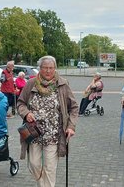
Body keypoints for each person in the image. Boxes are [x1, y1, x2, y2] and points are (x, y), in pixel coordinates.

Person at [17, 55, 79, 187]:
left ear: (55, 68)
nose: (48, 71)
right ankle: (42, 184)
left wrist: (71, 126)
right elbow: (20, 103)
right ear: (40, 68)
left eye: (51, 68)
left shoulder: (62, 84)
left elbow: (73, 107)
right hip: (34, 133)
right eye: (45, 68)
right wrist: (26, 113)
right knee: (34, 164)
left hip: (53, 134)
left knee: (50, 168)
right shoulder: (31, 84)